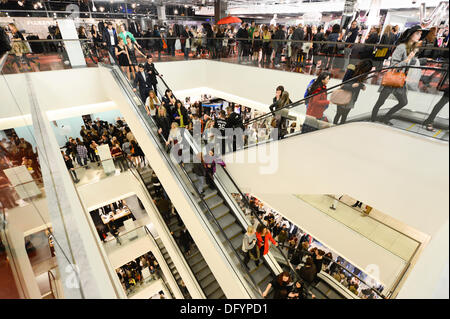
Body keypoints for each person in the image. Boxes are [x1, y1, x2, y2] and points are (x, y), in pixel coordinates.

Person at [371, 26, 424, 124]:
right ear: (410, 35)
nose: (419, 36)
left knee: (403, 102)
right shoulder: (401, 47)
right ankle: (372, 119)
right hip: (392, 79)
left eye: (420, 34)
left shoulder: (411, 48)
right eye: (417, 33)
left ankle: (385, 118)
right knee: (380, 102)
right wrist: (407, 60)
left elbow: (409, 64)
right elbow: (393, 65)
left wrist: (413, 59)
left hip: (400, 80)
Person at [333, 59, 373, 125]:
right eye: (366, 70)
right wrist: (353, 85)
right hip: (343, 94)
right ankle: (333, 127)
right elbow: (343, 84)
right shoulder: (352, 70)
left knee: (344, 116)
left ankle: (340, 129)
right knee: (338, 114)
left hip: (352, 97)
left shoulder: (362, 74)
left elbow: (358, 84)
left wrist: (361, 85)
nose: (366, 72)